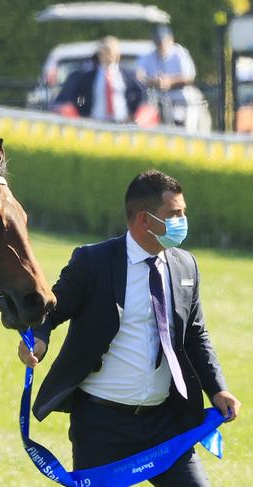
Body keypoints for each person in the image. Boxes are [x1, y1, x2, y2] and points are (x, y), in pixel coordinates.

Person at [18, 170, 241, 485]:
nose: (182, 221)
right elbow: (51, 312)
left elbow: (195, 334)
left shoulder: (185, 265)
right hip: (101, 425)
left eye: (183, 213)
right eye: (174, 214)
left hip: (167, 422)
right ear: (144, 220)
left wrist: (218, 389)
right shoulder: (92, 262)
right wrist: (37, 339)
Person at [52, 36, 147, 123]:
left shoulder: (128, 75)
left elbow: (141, 93)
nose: (106, 55)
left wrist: (132, 113)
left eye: (109, 51)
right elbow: (74, 96)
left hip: (121, 123)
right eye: (103, 52)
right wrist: (82, 113)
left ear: (117, 54)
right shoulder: (87, 77)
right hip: (96, 123)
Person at [136, 25, 201, 127]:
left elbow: (189, 76)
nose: (161, 45)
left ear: (171, 39)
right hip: (157, 97)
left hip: (179, 96)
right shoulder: (149, 56)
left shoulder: (179, 53)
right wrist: (153, 81)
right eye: (158, 42)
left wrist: (170, 81)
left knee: (185, 120)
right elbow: (139, 75)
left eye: (163, 41)